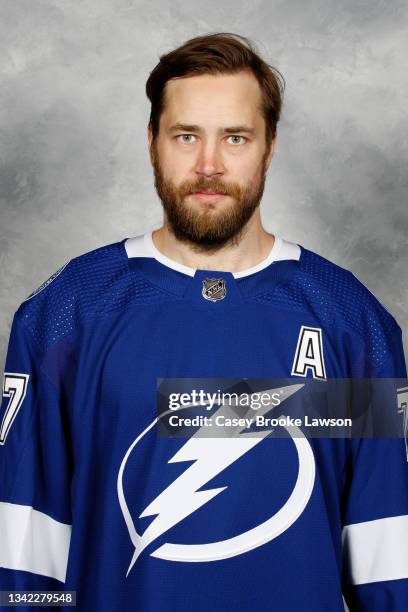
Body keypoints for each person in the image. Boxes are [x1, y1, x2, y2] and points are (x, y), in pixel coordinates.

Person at [0, 32, 407, 612]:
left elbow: (387, 554)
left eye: (235, 138)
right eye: (186, 136)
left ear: (269, 149)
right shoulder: (66, 315)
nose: (209, 164)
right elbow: (24, 553)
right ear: (151, 143)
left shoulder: (355, 324)